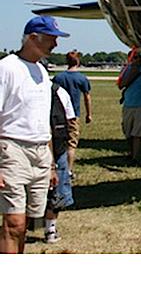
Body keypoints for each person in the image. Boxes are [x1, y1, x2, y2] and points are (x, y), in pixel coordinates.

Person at [0, 16, 69, 254]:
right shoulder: (7, 68)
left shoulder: (41, 72)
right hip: (12, 149)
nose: (55, 45)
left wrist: (50, 163)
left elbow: (43, 120)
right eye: (51, 38)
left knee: (27, 224)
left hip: (40, 152)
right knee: (13, 222)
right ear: (32, 38)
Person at [43, 80, 76, 244]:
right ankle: (50, 229)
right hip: (58, 146)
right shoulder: (59, 91)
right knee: (57, 189)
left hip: (33, 145)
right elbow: (70, 119)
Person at [52, 50, 92, 175]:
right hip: (73, 114)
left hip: (57, 115)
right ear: (78, 61)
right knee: (71, 143)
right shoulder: (81, 78)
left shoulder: (58, 77)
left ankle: (56, 166)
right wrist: (89, 114)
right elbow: (87, 97)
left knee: (56, 141)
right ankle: (68, 170)